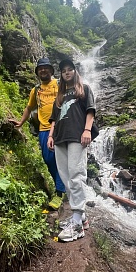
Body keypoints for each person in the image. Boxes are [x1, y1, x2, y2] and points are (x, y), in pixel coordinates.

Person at [47, 58, 96, 242]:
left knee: (76, 174)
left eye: (70, 69)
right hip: (60, 138)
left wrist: (87, 130)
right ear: (61, 74)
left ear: (75, 71)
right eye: (64, 70)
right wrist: (51, 136)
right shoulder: (59, 97)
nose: (67, 72)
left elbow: (90, 111)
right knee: (66, 177)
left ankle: (76, 223)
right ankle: (81, 218)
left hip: (77, 136)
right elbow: (54, 119)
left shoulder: (84, 89)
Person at [11, 57, 65, 210]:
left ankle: (59, 193)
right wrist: (21, 122)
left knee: (60, 159)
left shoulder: (60, 84)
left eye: (46, 67)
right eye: (40, 68)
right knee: (48, 160)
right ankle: (61, 187)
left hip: (61, 127)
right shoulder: (35, 90)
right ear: (37, 72)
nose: (43, 70)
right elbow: (29, 108)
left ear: (51, 70)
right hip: (44, 128)